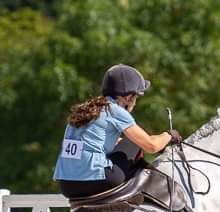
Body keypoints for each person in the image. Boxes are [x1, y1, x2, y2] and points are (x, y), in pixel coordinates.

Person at [53, 64, 183, 198]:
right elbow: (151, 146)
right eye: (136, 97)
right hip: (95, 180)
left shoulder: (86, 110)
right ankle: (147, 190)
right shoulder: (114, 110)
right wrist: (168, 135)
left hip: (67, 185)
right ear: (128, 97)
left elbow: (96, 144)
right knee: (135, 143)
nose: (135, 102)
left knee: (126, 143)